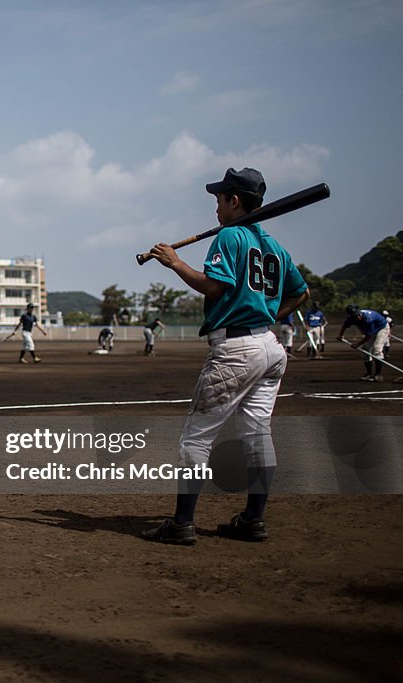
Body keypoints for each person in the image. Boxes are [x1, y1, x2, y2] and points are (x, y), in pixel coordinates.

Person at [141, 167, 309, 545]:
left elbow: (215, 288)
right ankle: (253, 519)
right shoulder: (275, 245)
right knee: (257, 434)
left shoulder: (230, 237)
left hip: (235, 350)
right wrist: (266, 315)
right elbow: (302, 294)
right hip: (269, 348)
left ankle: (182, 524)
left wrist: (175, 263)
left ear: (234, 201)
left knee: (195, 440)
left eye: (219, 200)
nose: (216, 208)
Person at [338, 305, 389, 382]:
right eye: (355, 316)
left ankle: (378, 375)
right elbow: (345, 325)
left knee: (377, 349)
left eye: (358, 315)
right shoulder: (350, 319)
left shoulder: (368, 319)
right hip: (371, 331)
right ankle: (368, 374)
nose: (358, 317)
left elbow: (369, 336)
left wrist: (357, 344)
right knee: (365, 350)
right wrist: (340, 335)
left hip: (382, 328)